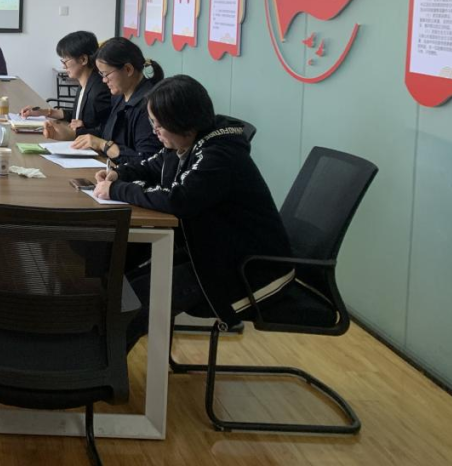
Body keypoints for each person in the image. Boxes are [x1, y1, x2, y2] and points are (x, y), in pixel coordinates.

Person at [93, 75, 294, 348]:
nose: (155, 131)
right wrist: (118, 175)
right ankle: (102, 363)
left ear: (184, 124)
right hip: (211, 251)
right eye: (153, 123)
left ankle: (103, 370)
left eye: (159, 125)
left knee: (134, 304)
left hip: (250, 269)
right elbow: (152, 166)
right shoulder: (186, 141)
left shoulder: (220, 154)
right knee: (124, 285)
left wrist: (118, 190)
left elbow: (179, 199)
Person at [70, 38, 164, 164]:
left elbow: (147, 160)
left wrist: (104, 145)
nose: (104, 80)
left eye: (106, 74)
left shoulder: (149, 106)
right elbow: (107, 134)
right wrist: (76, 133)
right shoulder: (119, 96)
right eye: (101, 75)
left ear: (128, 69)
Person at [19, 30, 111, 139]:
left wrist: (83, 130)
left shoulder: (100, 90)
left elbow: (109, 132)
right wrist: (43, 112)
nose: (63, 66)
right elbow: (77, 115)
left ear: (83, 59)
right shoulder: (85, 84)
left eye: (66, 61)